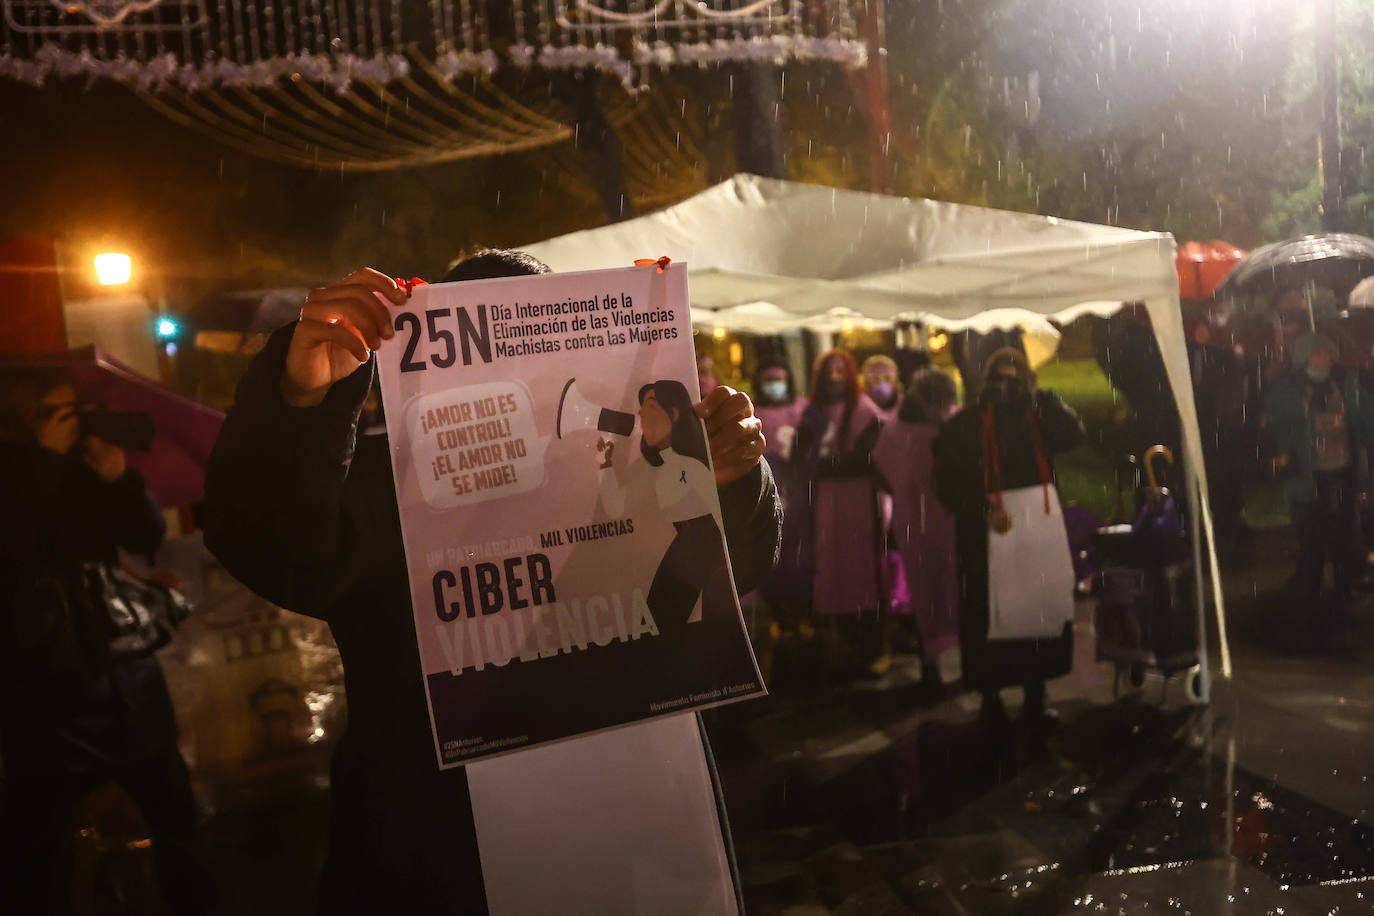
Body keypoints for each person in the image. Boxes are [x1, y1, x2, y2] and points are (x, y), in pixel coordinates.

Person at [202, 252, 781, 913]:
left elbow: (737, 568)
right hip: (441, 842)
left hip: (631, 821)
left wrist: (735, 481)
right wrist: (301, 401)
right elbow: (271, 547)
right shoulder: (385, 491)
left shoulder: (628, 475)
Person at [0, 370, 215, 915]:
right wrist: (44, 460)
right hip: (47, 685)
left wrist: (121, 479)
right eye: (57, 410)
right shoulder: (15, 472)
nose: (73, 420)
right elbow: (14, 548)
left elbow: (145, 539)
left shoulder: (85, 466)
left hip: (125, 675)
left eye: (77, 408)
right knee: (39, 847)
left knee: (176, 820)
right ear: (24, 420)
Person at [932, 349, 1085, 727]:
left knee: (1037, 612)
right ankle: (990, 696)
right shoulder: (966, 425)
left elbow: (1074, 435)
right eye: (999, 379)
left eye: (1014, 380)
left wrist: (1043, 396)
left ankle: (1036, 692)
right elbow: (946, 481)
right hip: (985, 536)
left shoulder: (1038, 418)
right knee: (990, 614)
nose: (1006, 388)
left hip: (1036, 533)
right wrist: (982, 511)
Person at [1263, 333, 1374, 634]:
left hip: (1341, 471)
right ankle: (1310, 587)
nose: (1321, 359)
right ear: (1303, 358)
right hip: (1306, 476)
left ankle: (1343, 584)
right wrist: (1288, 441)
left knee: (1343, 529)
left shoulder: (1346, 384)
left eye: (1325, 353)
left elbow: (1366, 420)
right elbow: (1275, 423)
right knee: (1310, 531)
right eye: (1315, 354)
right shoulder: (1288, 388)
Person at [796, 349, 892, 669]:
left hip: (858, 503)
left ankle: (873, 648)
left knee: (862, 572)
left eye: (841, 371)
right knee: (835, 572)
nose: (835, 378)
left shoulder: (864, 410)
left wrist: (823, 466)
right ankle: (846, 650)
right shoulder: (815, 411)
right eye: (829, 372)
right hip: (826, 506)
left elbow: (867, 458)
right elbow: (799, 453)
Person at [873, 369, 960, 685]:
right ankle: (935, 659)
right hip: (939, 518)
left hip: (922, 519)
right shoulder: (917, 429)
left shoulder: (897, 430)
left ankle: (932, 658)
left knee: (930, 589)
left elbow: (882, 470)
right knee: (940, 587)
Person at [860, 354, 902, 423]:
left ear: (895, 379)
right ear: (866, 380)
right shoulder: (859, 405)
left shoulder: (903, 404)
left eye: (887, 378)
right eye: (875, 379)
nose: (881, 382)